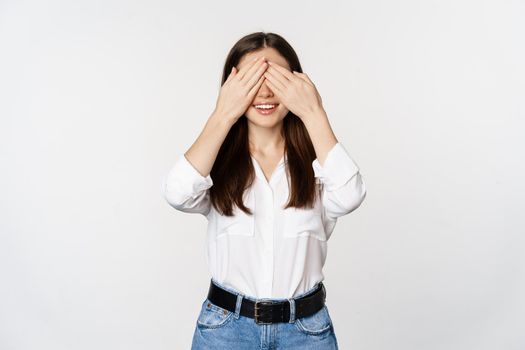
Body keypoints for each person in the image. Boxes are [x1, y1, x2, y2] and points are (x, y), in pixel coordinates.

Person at [161, 32, 366, 349]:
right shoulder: (217, 162)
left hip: (306, 332)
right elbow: (177, 192)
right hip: (225, 331)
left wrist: (314, 112)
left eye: (277, 78)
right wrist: (223, 114)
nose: (266, 91)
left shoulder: (319, 162)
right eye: (253, 79)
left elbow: (351, 195)